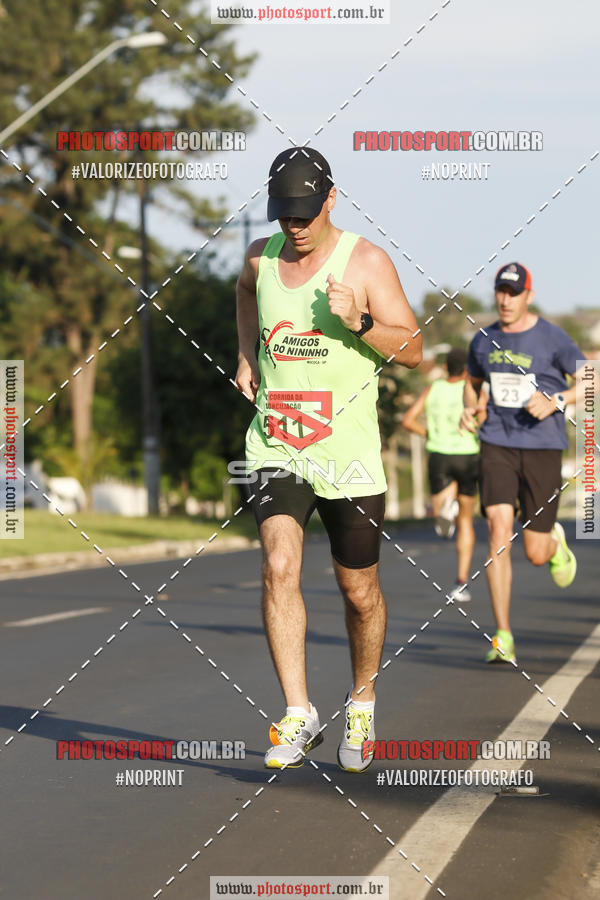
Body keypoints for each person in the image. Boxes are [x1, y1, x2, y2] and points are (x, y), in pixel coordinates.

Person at [235, 147, 422, 772]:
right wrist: (245, 355)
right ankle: (299, 712)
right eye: (285, 214)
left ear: (331, 200)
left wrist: (361, 320)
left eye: (306, 213)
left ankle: (362, 700)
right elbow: (244, 293)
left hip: (347, 454)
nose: (296, 225)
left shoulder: (364, 261)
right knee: (279, 564)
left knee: (358, 588)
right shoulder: (259, 259)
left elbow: (415, 348)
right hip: (277, 443)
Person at [460, 262, 583, 664]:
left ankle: (555, 544)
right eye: (500, 291)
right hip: (497, 441)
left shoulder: (551, 337)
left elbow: (591, 378)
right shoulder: (484, 339)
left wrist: (558, 401)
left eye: (514, 292)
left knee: (533, 551)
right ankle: (503, 634)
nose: (505, 299)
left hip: (543, 446)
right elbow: (472, 381)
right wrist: (469, 408)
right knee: (498, 528)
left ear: (528, 295)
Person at [402, 347, 482, 602]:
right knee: (466, 523)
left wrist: (430, 434)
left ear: (445, 367)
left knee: (442, 521)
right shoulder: (472, 390)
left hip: (439, 454)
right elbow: (482, 418)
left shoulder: (433, 388)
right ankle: (461, 582)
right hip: (468, 454)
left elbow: (408, 419)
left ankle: (445, 508)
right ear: (467, 369)